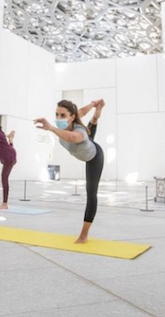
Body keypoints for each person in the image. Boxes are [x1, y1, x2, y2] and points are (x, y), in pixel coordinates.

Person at [34, 99, 105, 243]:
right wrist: (93, 104)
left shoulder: (78, 131)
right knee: (89, 136)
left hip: (94, 157)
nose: (59, 118)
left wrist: (51, 129)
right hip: (86, 146)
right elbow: (81, 112)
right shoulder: (72, 118)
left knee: (91, 193)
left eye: (62, 115)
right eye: (57, 114)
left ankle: (84, 235)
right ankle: (96, 114)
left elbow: (73, 138)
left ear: (71, 117)